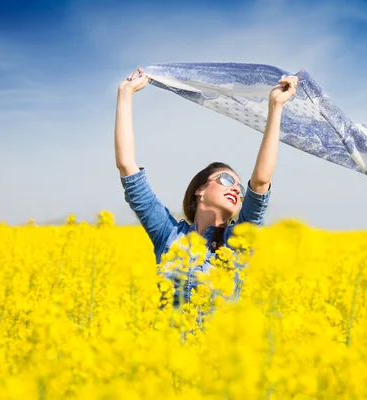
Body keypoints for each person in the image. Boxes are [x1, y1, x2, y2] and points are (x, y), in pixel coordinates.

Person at [114, 67, 298, 304]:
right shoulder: (167, 235)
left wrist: (275, 107)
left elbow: (261, 181)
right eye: (227, 180)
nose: (235, 189)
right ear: (200, 189)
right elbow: (126, 166)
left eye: (240, 190)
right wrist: (125, 93)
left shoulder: (237, 243)